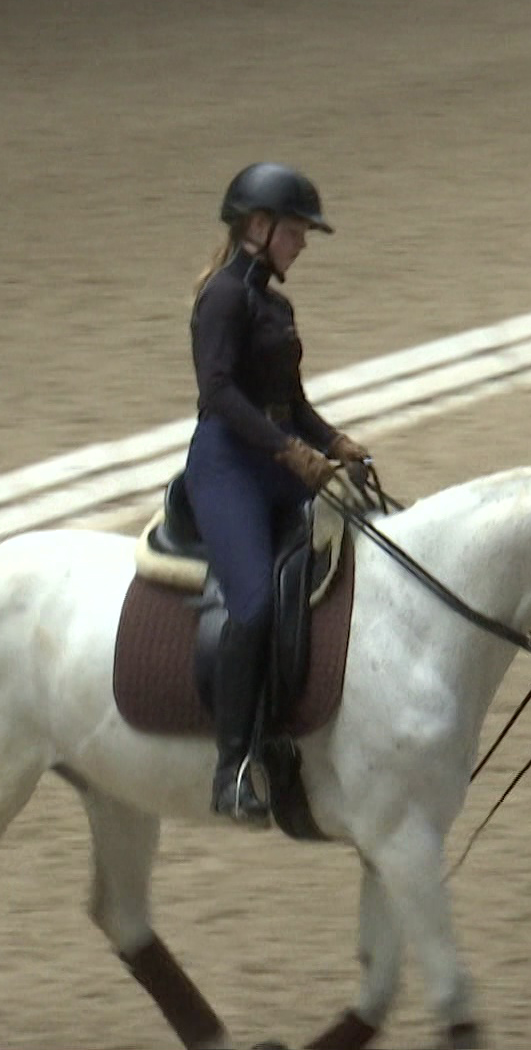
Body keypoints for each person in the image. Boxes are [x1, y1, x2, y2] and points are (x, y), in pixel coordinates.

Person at [184, 162, 370, 825]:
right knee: (257, 605)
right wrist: (290, 451)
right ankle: (233, 765)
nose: (302, 244)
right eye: (295, 231)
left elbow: (290, 403)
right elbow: (221, 395)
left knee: (352, 559)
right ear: (257, 228)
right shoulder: (224, 299)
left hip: (276, 461)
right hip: (229, 468)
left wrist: (332, 439)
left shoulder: (275, 304)